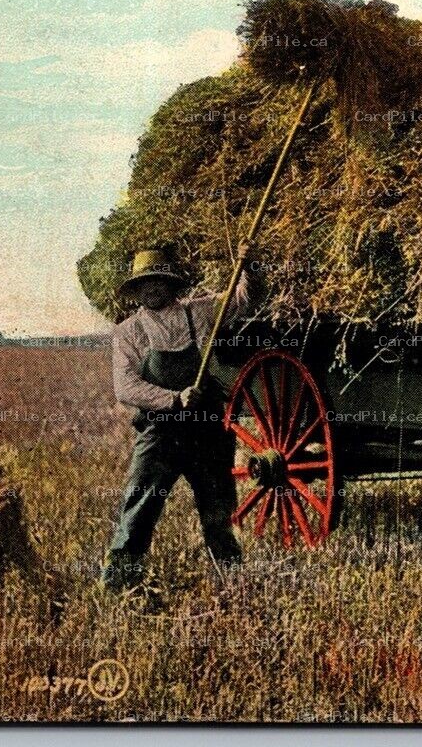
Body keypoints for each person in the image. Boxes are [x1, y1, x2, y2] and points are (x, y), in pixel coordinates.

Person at [100, 244, 261, 592]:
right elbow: (125, 387)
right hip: (160, 433)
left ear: (171, 284)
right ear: (136, 291)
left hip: (207, 430)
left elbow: (241, 300)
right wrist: (173, 399)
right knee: (140, 503)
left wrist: (246, 265)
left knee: (219, 507)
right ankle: (120, 584)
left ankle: (233, 580)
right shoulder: (129, 332)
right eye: (144, 284)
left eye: (158, 281)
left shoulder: (199, 312)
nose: (152, 288)